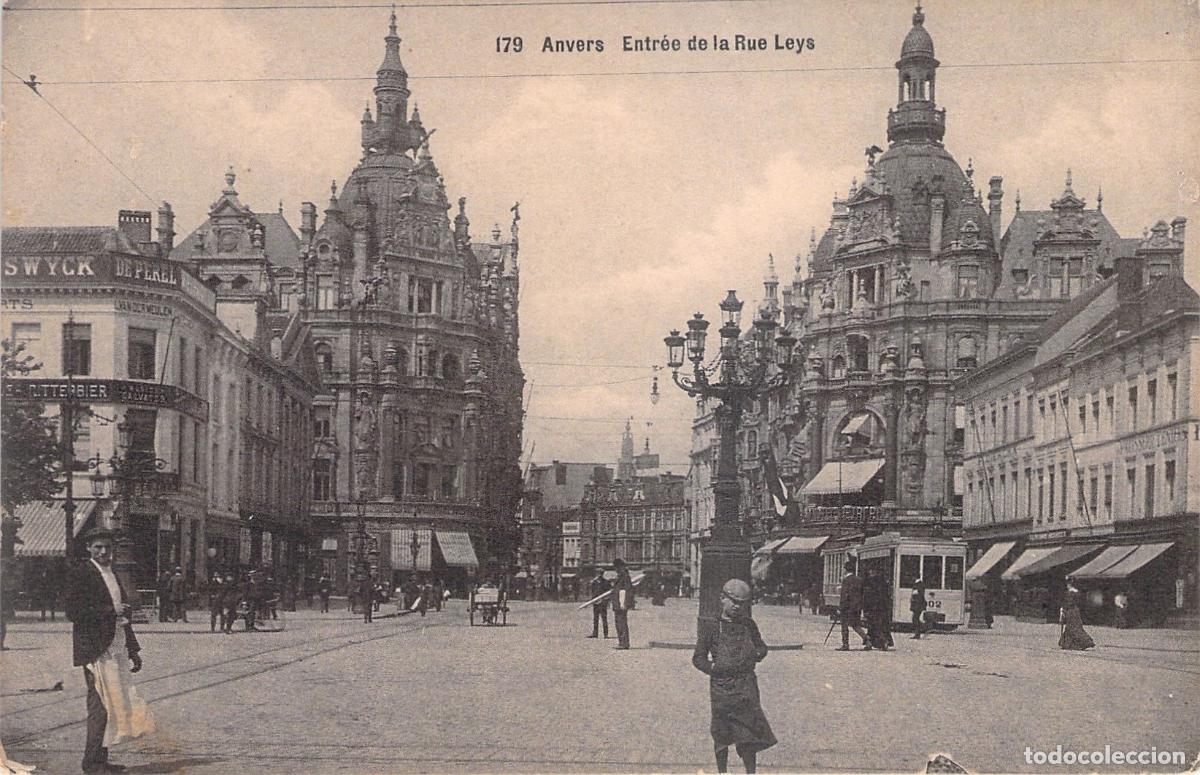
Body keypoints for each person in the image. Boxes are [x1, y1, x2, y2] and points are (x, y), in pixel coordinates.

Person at [65, 528, 154, 773]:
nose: (104, 552)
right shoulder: (82, 573)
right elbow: (73, 612)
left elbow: (124, 614)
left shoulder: (112, 573)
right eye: (98, 547)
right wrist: (108, 611)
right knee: (99, 706)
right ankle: (92, 764)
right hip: (95, 649)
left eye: (108, 547)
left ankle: (100, 759)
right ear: (89, 549)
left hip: (115, 645)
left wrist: (132, 649)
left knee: (112, 704)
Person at [692, 578, 777, 774]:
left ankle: (750, 772)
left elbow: (761, 646)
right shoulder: (710, 626)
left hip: (746, 686)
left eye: (742, 603)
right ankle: (722, 772)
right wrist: (712, 668)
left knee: (749, 734)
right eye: (734, 601)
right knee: (721, 734)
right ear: (722, 598)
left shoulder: (749, 624)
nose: (738, 607)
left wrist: (758, 654)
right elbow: (698, 658)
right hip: (721, 687)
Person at [837, 560, 867, 651]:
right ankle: (867, 640)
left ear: (846, 569)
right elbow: (862, 593)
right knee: (856, 625)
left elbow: (845, 595)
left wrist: (840, 607)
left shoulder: (846, 580)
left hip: (847, 607)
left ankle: (845, 644)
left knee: (844, 625)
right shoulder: (859, 580)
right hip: (857, 606)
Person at [1059, 580, 1095, 650]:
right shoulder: (1078, 593)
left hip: (1070, 611)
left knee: (1071, 627)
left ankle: (1082, 642)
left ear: (1069, 585)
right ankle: (1070, 644)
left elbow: (1068, 603)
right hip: (1076, 611)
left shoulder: (1069, 593)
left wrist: (1062, 610)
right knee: (1077, 626)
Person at [862, 565, 890, 651]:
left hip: (872, 608)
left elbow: (867, 596)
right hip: (881, 608)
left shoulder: (870, 582)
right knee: (878, 626)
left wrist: (865, 608)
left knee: (873, 626)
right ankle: (879, 643)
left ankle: (879, 642)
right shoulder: (882, 582)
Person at [611, 559, 635, 650]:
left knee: (622, 623)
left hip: (621, 604)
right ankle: (621, 642)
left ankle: (624, 643)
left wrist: (624, 603)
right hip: (617, 604)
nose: (616, 569)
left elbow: (628, 590)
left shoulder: (625, 577)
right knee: (618, 623)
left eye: (616, 567)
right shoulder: (620, 576)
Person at [588, 568, 611, 639]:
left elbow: (609, 593)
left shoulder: (606, 582)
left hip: (603, 603)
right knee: (595, 618)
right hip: (596, 602)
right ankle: (595, 633)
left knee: (604, 618)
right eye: (598, 573)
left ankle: (605, 634)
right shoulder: (594, 583)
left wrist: (607, 601)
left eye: (600, 573)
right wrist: (593, 600)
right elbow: (592, 592)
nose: (599, 575)